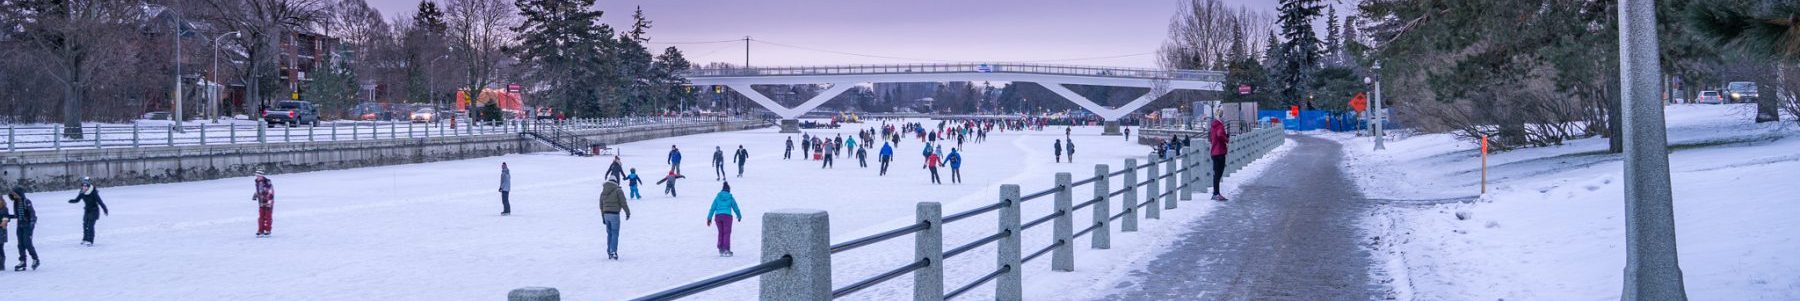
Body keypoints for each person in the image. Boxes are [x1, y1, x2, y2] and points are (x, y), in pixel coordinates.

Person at [67, 177, 110, 246]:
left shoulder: (93, 193)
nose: (84, 187)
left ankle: (90, 241)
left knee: (90, 226)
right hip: (87, 210)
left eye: (85, 186)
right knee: (85, 225)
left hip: (94, 211)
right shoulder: (82, 192)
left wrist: (105, 210)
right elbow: (77, 200)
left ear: (88, 186)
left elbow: (100, 202)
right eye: (83, 185)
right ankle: (85, 239)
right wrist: (72, 201)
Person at [705, 182, 743, 257]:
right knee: (726, 233)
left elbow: (712, 208)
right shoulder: (730, 197)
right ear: (728, 190)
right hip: (727, 217)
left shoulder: (717, 197)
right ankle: (726, 249)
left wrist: (709, 218)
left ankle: (721, 248)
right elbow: (735, 207)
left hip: (718, 216)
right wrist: (739, 216)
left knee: (721, 232)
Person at [598, 179, 632, 260]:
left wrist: (603, 217)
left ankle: (609, 251)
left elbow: (601, 206)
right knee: (615, 233)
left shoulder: (603, 192)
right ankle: (613, 251)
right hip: (614, 214)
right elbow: (623, 202)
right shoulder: (618, 190)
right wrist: (627, 213)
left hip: (606, 214)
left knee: (609, 233)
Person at [8, 187, 38, 271]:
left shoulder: (26, 201)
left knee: (27, 243)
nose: (13, 195)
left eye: (15, 194)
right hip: (20, 225)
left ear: (19, 193)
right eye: (12, 194)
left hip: (27, 225)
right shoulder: (16, 203)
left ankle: (35, 259)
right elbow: (17, 215)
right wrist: (7, 216)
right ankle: (22, 261)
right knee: (20, 244)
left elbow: (32, 213)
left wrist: (32, 222)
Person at [1210, 116, 1231, 201]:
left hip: (1214, 152)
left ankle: (1215, 193)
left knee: (1216, 174)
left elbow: (1212, 139)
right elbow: (1220, 135)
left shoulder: (1213, 127)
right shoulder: (1220, 126)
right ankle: (1216, 194)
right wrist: (1226, 139)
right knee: (1218, 174)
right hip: (1220, 153)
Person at [252, 169, 275, 237]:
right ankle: (260, 230)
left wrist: (269, 202)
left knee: (268, 216)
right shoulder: (257, 182)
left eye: (258, 176)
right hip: (261, 202)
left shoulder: (267, 182)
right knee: (261, 217)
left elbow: (271, 192)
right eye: (256, 175)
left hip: (268, 202)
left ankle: (268, 230)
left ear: (261, 176)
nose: (257, 177)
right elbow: (259, 190)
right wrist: (255, 195)